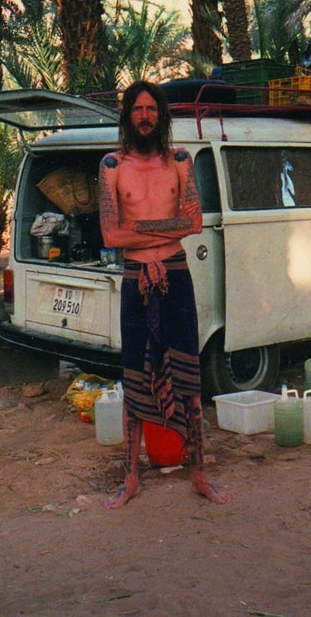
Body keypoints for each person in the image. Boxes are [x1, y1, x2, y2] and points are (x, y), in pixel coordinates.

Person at [98, 80, 230, 509]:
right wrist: (156, 230)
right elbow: (109, 233)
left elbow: (194, 222)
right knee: (135, 374)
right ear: (127, 115)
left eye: (151, 109)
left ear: (161, 115)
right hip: (137, 278)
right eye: (136, 109)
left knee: (189, 375)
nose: (144, 116)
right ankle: (131, 476)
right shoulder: (112, 166)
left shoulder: (180, 160)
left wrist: (139, 230)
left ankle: (200, 473)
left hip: (176, 273)